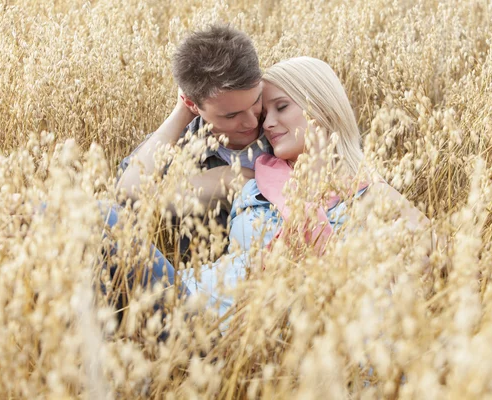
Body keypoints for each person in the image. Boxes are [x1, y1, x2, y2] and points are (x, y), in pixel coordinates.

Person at [179, 56, 430, 325]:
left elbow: (441, 262)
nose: (266, 124)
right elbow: (135, 196)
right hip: (190, 300)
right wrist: (186, 107)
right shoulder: (251, 178)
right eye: (265, 114)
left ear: (322, 107)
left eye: (281, 107)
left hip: (257, 336)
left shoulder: (372, 194)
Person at [115, 24, 271, 259]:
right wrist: (224, 178)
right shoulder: (182, 147)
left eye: (256, 101)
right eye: (231, 115)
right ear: (192, 105)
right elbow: (128, 196)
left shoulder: (284, 123)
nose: (251, 122)